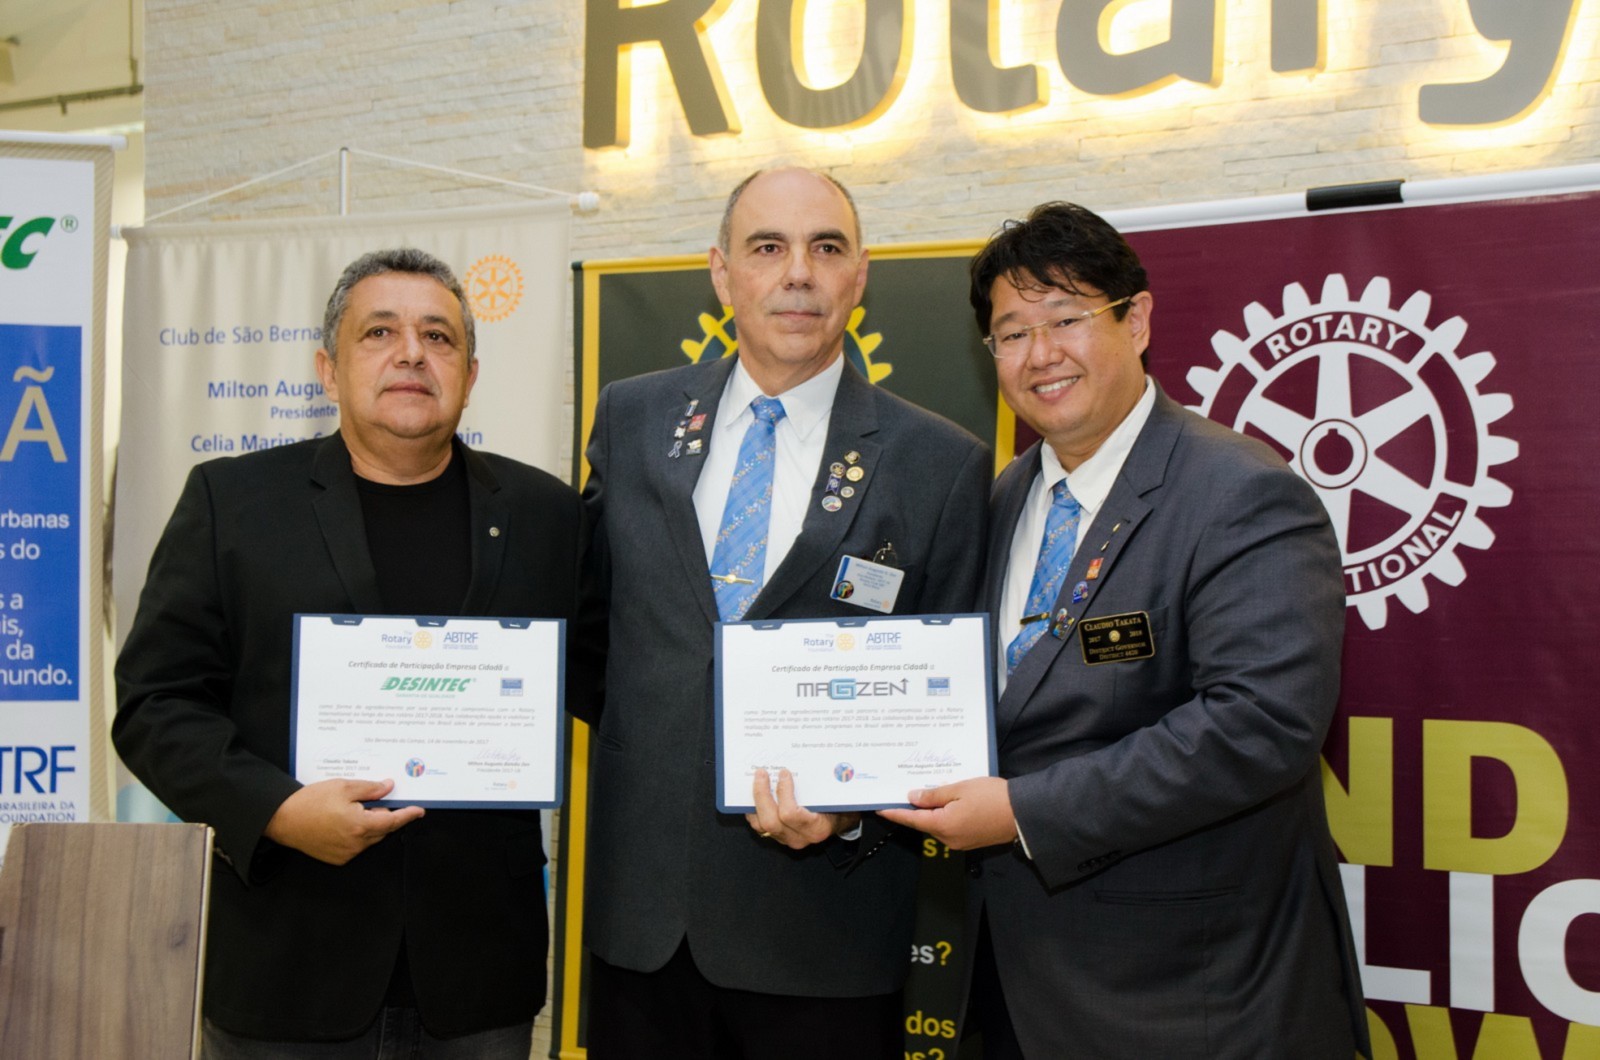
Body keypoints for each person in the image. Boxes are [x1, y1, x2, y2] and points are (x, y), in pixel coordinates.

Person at [881, 203, 1370, 1058]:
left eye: (1066, 318)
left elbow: (1260, 726)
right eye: (1012, 333)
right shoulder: (1001, 497)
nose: (1040, 354)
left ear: (1136, 319)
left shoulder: (1242, 494)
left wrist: (1023, 812)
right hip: (1015, 983)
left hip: (1191, 996)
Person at [114, 248, 581, 1056]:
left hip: (477, 979)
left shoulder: (548, 515)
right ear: (328, 371)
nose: (412, 353)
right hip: (288, 963)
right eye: (380, 333)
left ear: (470, 375)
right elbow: (155, 704)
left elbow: (614, 679)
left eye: (438, 336)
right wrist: (276, 810)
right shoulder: (233, 502)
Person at [574, 166, 991, 1058]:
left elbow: (949, 707)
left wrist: (851, 808)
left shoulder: (940, 463)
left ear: (859, 276)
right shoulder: (633, 418)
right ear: (721, 273)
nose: (798, 272)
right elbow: (594, 637)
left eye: (825, 248)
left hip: (825, 938)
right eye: (768, 247)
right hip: (642, 925)